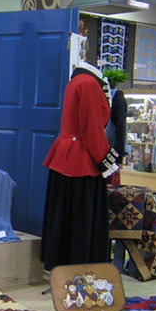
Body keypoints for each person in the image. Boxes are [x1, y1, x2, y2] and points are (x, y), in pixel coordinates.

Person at [41, 62, 118, 271]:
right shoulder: (89, 83)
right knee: (80, 218)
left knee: (63, 215)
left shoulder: (76, 81)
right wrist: (106, 159)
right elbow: (91, 128)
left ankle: (59, 263)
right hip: (82, 159)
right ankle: (79, 266)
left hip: (67, 155)